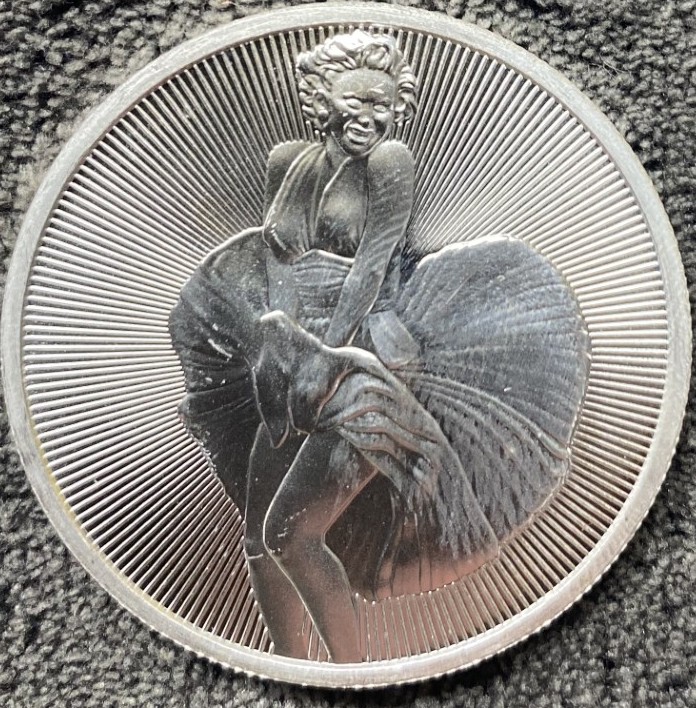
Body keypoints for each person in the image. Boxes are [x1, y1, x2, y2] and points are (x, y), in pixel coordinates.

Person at [169, 30, 589, 663]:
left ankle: (350, 675)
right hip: (293, 356)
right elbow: (275, 259)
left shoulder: (390, 161)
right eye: (355, 100)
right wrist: (278, 338)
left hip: (364, 357)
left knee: (290, 535)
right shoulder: (287, 160)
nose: (369, 116)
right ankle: (293, 670)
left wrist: (324, 354)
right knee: (257, 540)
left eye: (383, 104)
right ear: (321, 101)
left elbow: (372, 266)